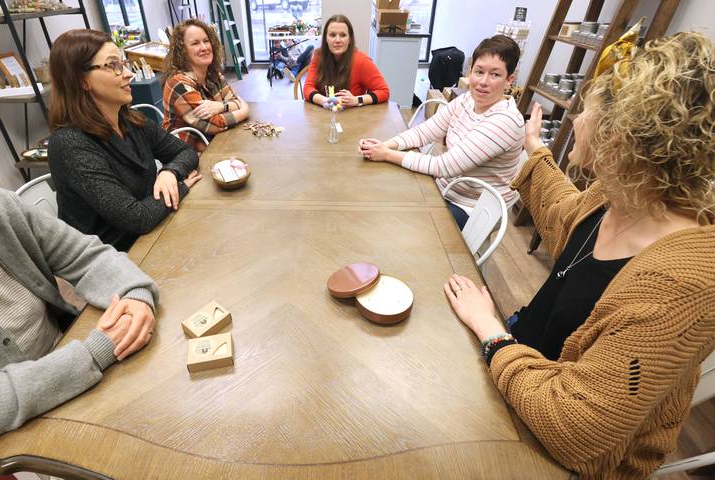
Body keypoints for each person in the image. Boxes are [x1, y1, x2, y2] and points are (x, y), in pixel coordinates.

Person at [444, 32, 715, 479]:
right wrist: (535, 152)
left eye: (587, 108)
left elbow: (577, 427)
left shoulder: (683, 282)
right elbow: (562, 212)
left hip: (559, 445)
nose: (577, 115)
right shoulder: (619, 198)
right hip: (523, 360)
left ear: (621, 136)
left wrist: (491, 332)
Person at [0, 113, 159, 479]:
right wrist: (92, 353)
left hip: (69, 368)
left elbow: (86, 255)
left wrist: (135, 293)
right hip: (3, 437)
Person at [48, 29, 202, 252]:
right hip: (113, 258)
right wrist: (181, 185)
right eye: (114, 65)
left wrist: (170, 172)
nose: (129, 73)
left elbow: (184, 153)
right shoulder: (69, 144)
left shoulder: (130, 120)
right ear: (82, 81)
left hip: (153, 233)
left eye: (124, 63)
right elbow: (136, 218)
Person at [359, 35, 524, 229]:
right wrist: (384, 145)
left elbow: (443, 167)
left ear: (509, 80)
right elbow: (424, 133)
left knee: (402, 223)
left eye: (495, 74)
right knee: (388, 197)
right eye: (479, 72)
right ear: (470, 71)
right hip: (448, 190)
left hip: (473, 208)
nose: (483, 82)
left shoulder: (505, 121)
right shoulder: (467, 100)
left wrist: (386, 154)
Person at [163, 19, 250, 152]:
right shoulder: (179, 84)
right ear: (183, 51)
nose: (204, 47)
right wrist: (245, 110)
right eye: (195, 43)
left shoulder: (212, 74)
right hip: (183, 157)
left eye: (206, 40)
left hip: (210, 143)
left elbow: (234, 100)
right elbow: (215, 124)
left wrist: (221, 106)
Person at [303, 14, 389, 108]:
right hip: (323, 116)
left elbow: (384, 91)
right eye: (332, 35)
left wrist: (357, 100)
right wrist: (325, 101)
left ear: (350, 39)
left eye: (343, 35)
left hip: (354, 118)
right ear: (326, 39)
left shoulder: (362, 61)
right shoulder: (318, 57)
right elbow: (308, 88)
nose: (337, 40)